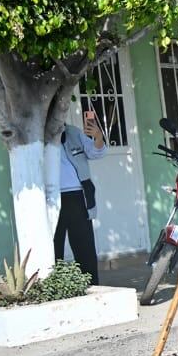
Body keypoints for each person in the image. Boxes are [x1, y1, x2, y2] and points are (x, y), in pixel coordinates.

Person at [55, 109, 106, 284]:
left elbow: (96, 153)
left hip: (78, 196)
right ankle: (55, 285)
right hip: (51, 198)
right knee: (54, 245)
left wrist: (98, 136)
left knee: (84, 246)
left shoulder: (73, 133)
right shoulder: (39, 138)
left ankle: (91, 286)